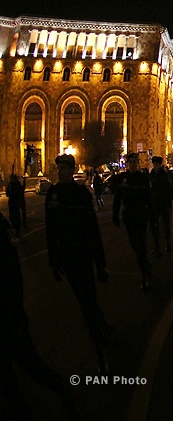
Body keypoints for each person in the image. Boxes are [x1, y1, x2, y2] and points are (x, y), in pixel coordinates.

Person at [1, 211, 84, 421]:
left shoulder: (4, 252)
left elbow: (12, 291)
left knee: (33, 370)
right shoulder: (6, 248)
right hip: (12, 321)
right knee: (12, 383)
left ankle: (63, 396)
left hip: (9, 324)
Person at [45, 154, 112, 375]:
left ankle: (100, 347)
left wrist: (100, 263)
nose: (60, 171)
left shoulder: (81, 194)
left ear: (72, 170)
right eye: (59, 168)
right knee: (85, 300)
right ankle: (101, 326)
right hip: (67, 258)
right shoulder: (53, 195)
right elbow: (50, 231)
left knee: (87, 300)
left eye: (64, 168)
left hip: (84, 255)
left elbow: (92, 230)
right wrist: (53, 261)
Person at [112, 153, 154, 291]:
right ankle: (145, 264)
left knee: (141, 245)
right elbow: (117, 199)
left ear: (138, 163)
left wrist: (152, 216)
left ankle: (144, 276)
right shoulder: (122, 179)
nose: (132, 164)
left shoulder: (143, 178)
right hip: (129, 215)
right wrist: (115, 215)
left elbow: (149, 198)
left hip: (141, 214)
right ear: (127, 163)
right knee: (134, 245)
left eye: (135, 162)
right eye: (130, 162)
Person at [148, 156, 173, 257]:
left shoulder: (164, 175)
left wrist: (168, 203)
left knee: (166, 224)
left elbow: (170, 189)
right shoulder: (151, 175)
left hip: (163, 203)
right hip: (154, 204)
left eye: (157, 164)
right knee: (155, 226)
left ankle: (167, 243)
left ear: (160, 164)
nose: (155, 165)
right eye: (154, 164)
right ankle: (157, 247)